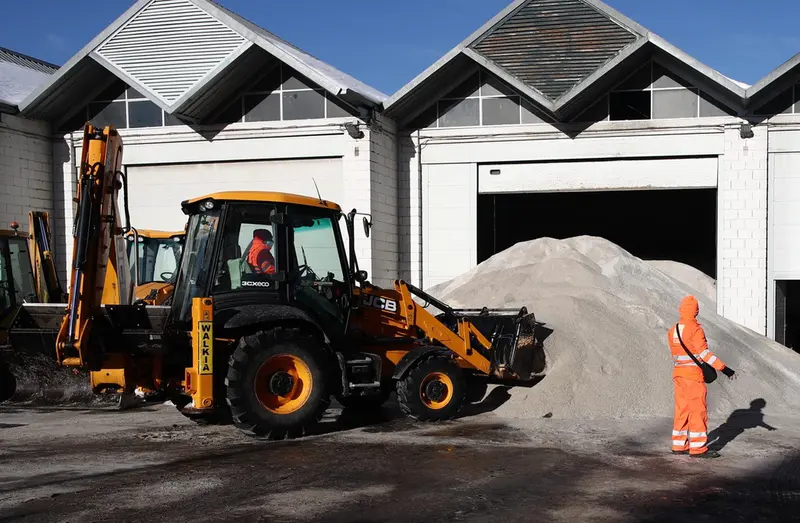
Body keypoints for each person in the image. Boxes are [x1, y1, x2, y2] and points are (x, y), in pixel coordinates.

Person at [668, 295, 737, 458]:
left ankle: (678, 445)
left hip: (679, 374)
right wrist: (724, 369)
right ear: (696, 311)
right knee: (697, 411)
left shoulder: (673, 330)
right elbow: (704, 354)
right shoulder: (695, 329)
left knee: (682, 410)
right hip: (693, 376)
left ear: (681, 309)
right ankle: (698, 448)